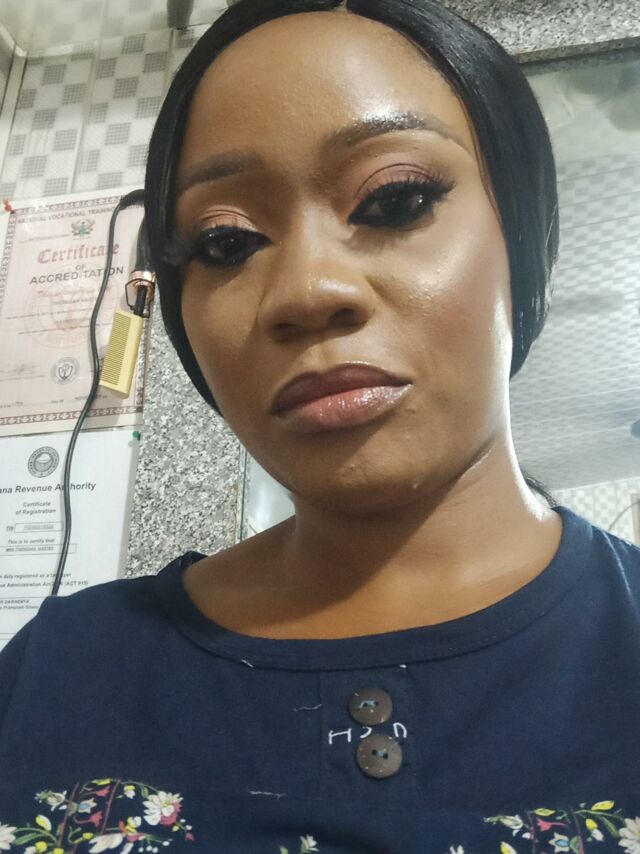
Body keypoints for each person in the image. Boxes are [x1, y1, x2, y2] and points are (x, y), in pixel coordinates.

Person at [1, 0, 640, 851]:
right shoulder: (59, 673)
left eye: (395, 200)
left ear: (522, 236)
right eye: (227, 244)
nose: (305, 290)